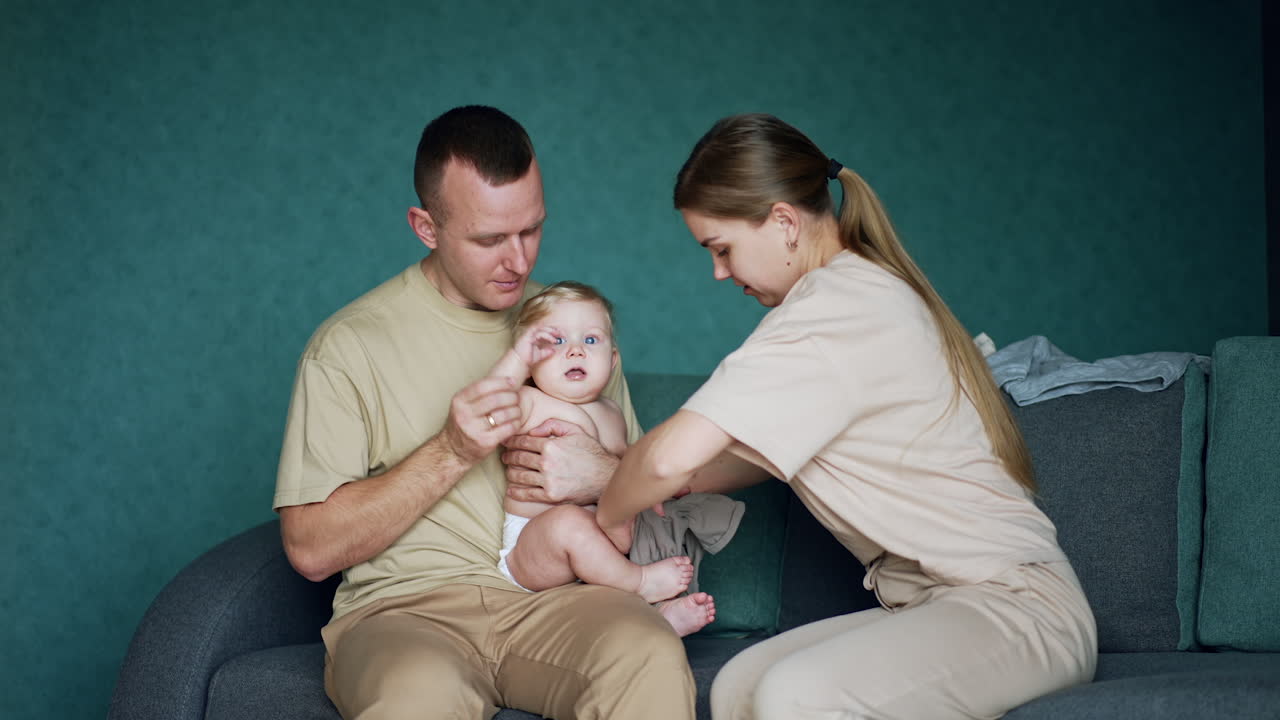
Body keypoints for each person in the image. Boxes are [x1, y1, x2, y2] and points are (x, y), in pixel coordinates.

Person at [595, 113, 1098, 719]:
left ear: (783, 222)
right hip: (935, 608)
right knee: (738, 690)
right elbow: (706, 465)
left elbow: (667, 458)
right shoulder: (843, 298)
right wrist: (626, 474)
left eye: (722, 249)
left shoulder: (837, 308)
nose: (719, 273)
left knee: (792, 698)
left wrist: (605, 515)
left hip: (1019, 611)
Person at [273, 106, 696, 720]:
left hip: (556, 600)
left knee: (647, 654)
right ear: (426, 226)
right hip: (406, 611)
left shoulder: (571, 333)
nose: (519, 262)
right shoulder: (348, 347)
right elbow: (309, 550)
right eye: (490, 239)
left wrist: (603, 473)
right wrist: (452, 450)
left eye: (532, 230)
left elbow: (640, 489)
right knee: (414, 696)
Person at [485, 281, 716, 636]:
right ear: (531, 363)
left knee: (637, 517)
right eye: (556, 342)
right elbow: (487, 407)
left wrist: (665, 484)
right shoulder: (529, 400)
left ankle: (658, 614)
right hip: (536, 547)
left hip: (601, 551)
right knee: (569, 523)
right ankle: (640, 584)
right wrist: (517, 358)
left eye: (590, 340)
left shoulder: (611, 412)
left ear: (612, 361)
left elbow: (624, 473)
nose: (576, 351)